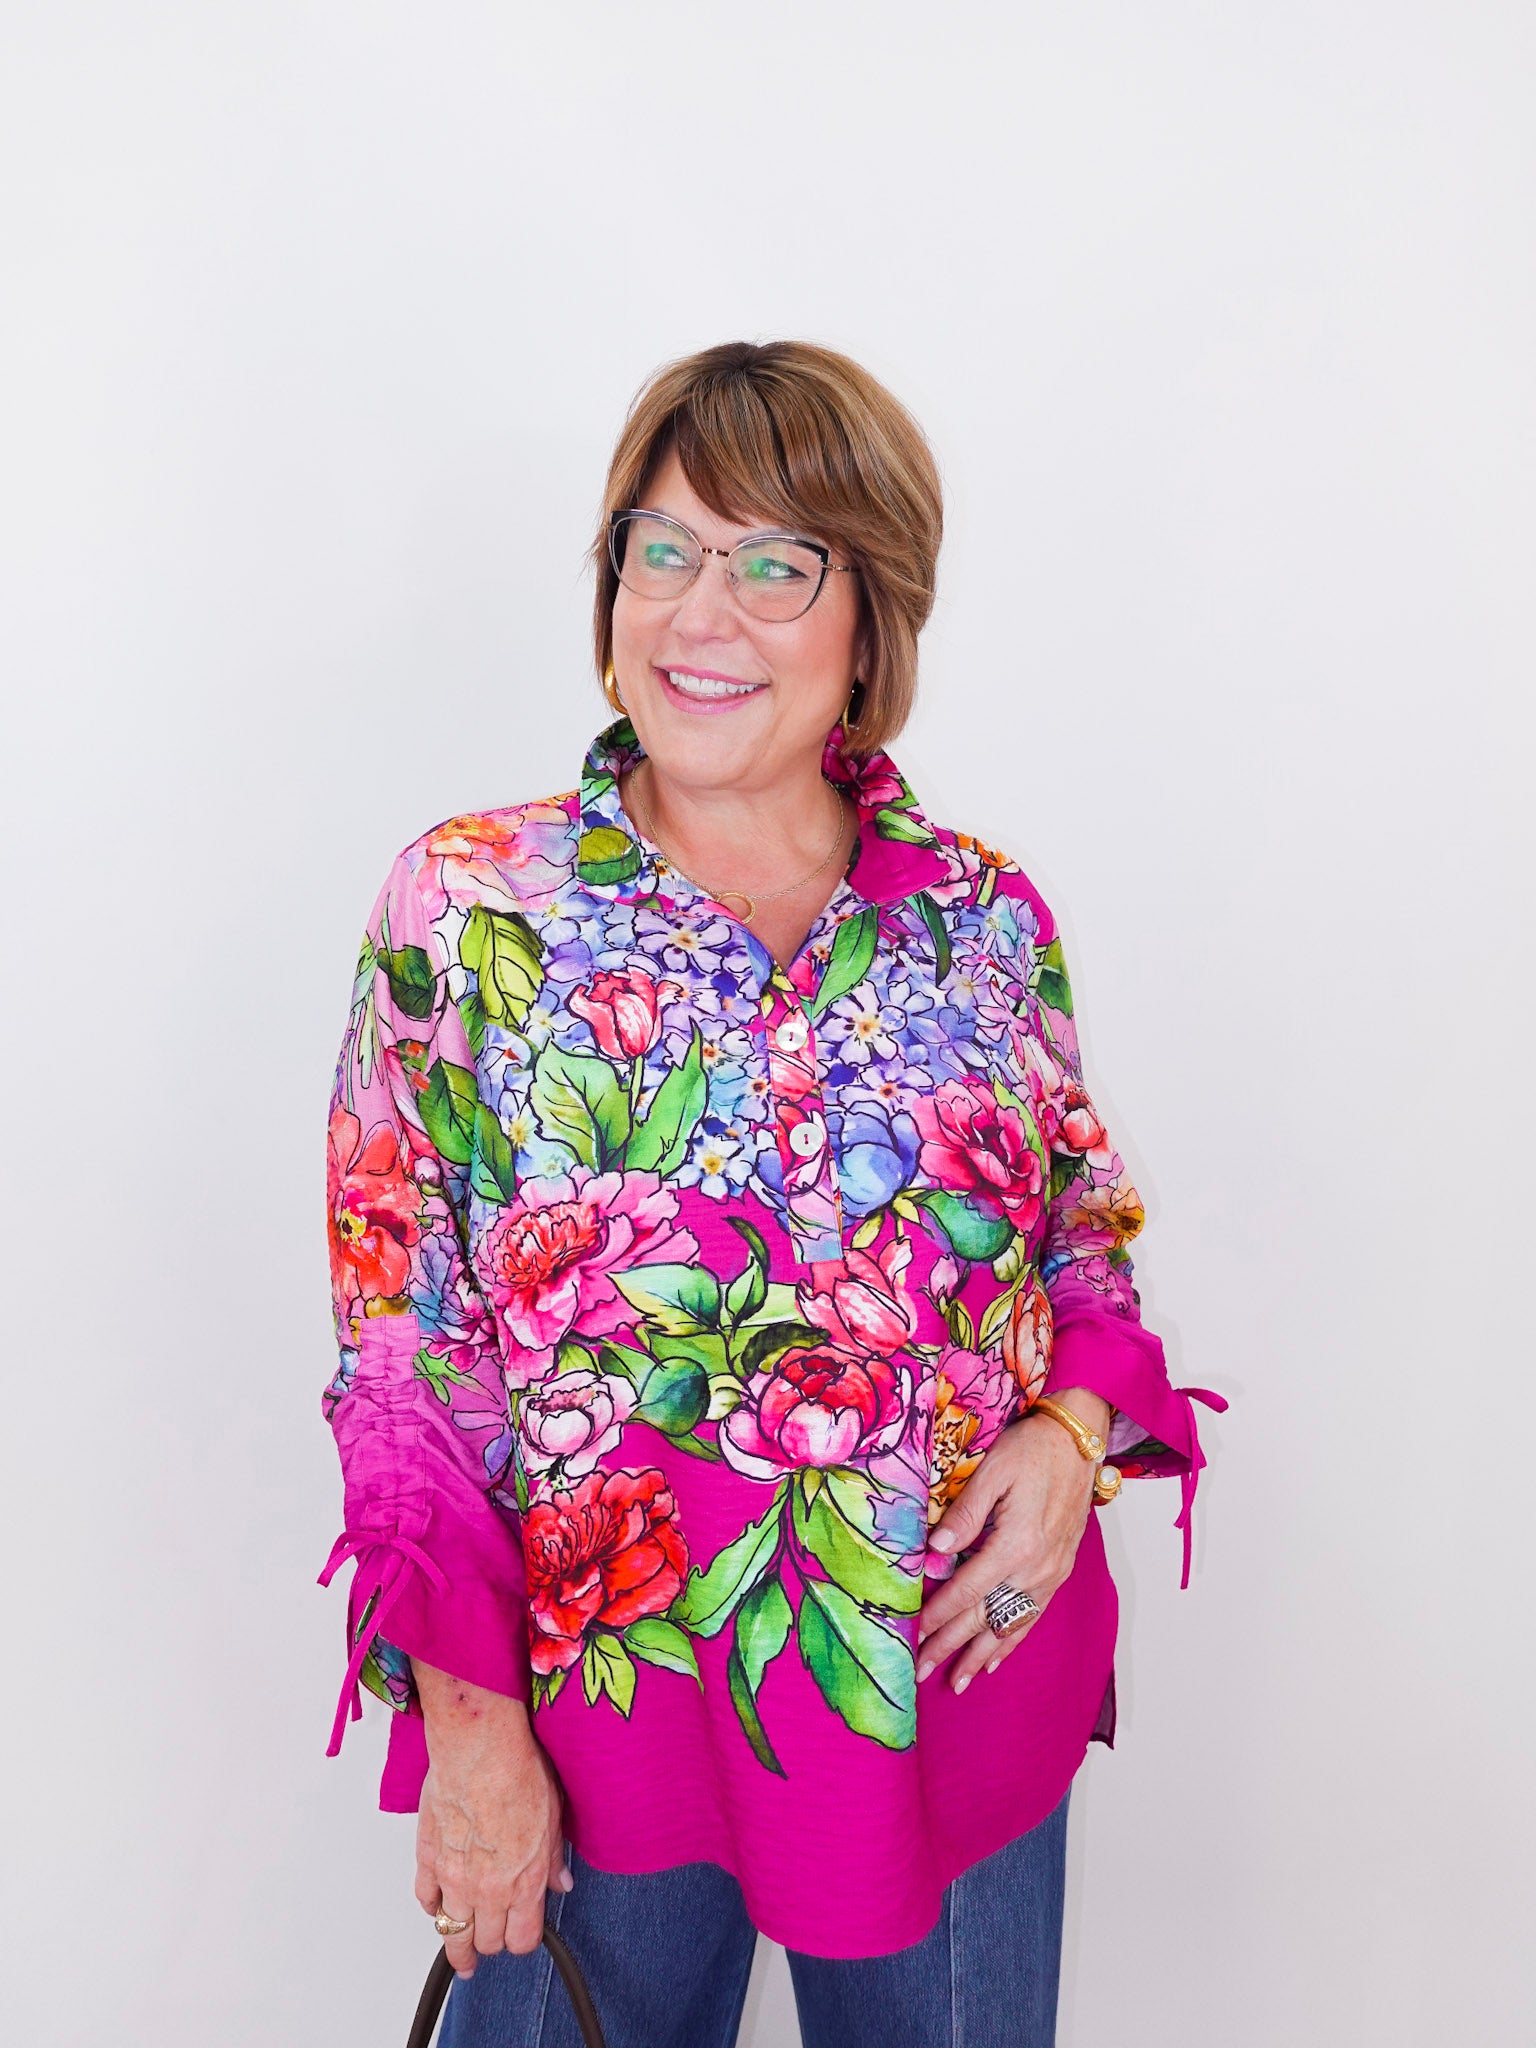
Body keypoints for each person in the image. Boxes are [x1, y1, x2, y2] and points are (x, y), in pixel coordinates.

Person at [321, 339, 1224, 2048]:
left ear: (871, 620)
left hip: (939, 1723)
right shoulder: (470, 913)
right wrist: (471, 1730)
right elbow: (400, 1343)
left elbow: (1083, 1256)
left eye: (773, 565)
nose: (698, 614)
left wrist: (1072, 1442)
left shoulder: (981, 921)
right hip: (593, 1749)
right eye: (660, 551)